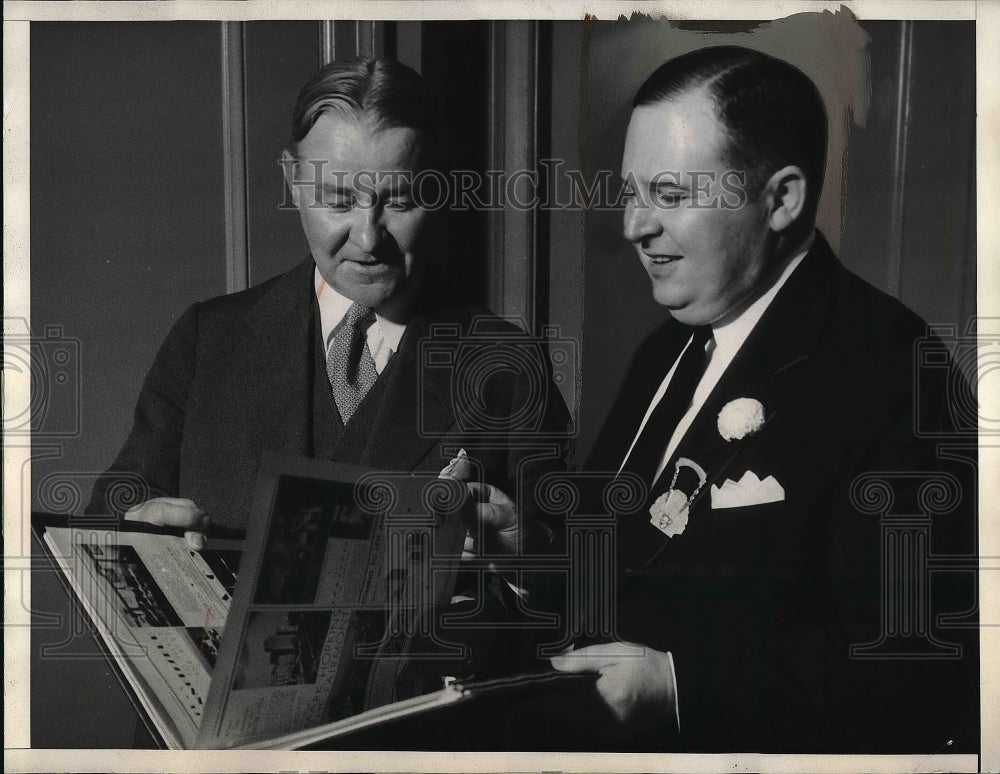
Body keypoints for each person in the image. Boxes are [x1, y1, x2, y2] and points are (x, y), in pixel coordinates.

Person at [534, 46, 977, 752]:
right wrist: (522, 552)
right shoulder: (668, 346)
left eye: (671, 196)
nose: (633, 228)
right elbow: (627, 565)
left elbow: (916, 668)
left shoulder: (895, 368)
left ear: (782, 199)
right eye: (631, 192)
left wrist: (683, 687)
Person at [87, 58, 571, 682]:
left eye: (397, 200)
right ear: (291, 180)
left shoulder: (507, 366)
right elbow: (108, 512)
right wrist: (135, 533)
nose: (367, 239)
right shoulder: (209, 338)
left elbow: (567, 601)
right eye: (336, 198)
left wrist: (521, 559)